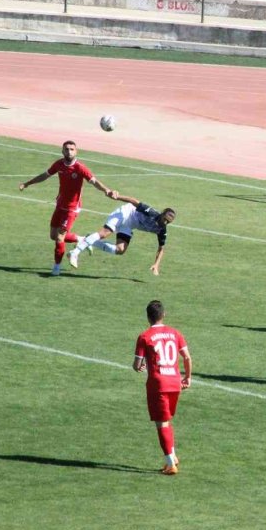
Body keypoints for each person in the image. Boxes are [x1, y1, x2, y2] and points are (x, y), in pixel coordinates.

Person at [18, 140, 116, 275]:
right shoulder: (59, 164)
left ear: (76, 151)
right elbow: (44, 175)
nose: (69, 151)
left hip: (72, 209)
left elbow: (94, 182)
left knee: (60, 238)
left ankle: (56, 268)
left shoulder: (80, 168)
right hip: (60, 206)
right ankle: (83, 240)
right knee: (53, 236)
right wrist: (27, 183)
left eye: (72, 149)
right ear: (62, 151)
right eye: (67, 149)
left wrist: (107, 190)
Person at [133, 300, 192, 475]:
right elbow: (187, 357)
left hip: (158, 385)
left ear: (148, 317)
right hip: (175, 383)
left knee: (162, 423)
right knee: (167, 420)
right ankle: (172, 456)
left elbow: (137, 365)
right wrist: (187, 377)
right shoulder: (175, 333)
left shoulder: (145, 336)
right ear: (163, 315)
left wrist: (140, 367)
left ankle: (169, 464)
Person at [68, 193, 175, 275]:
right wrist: (117, 196)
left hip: (129, 225)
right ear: (162, 214)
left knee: (120, 250)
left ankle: (88, 239)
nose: (165, 223)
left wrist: (156, 264)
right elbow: (134, 201)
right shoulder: (152, 213)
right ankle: (75, 252)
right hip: (125, 212)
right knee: (104, 233)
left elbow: (161, 248)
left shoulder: (161, 230)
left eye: (168, 222)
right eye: (165, 219)